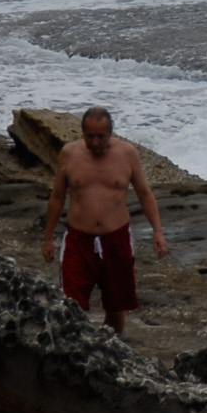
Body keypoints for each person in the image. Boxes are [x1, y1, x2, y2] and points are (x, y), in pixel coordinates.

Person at [40, 105, 169, 334]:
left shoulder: (127, 153)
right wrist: (48, 238)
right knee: (70, 303)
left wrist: (158, 231)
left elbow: (144, 194)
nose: (96, 142)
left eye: (101, 136)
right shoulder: (69, 154)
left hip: (116, 238)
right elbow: (57, 197)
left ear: (110, 133)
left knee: (116, 304)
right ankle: (74, 351)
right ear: (82, 133)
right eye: (90, 136)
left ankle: (113, 350)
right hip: (78, 239)